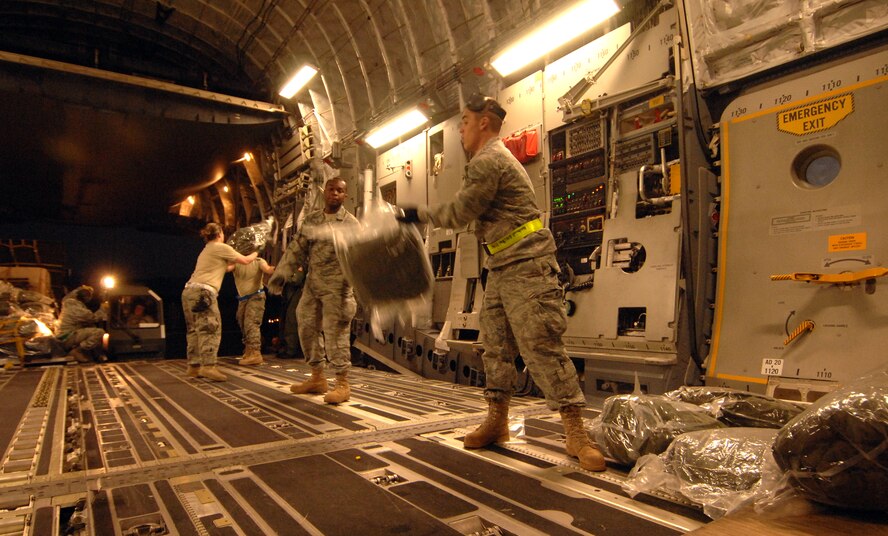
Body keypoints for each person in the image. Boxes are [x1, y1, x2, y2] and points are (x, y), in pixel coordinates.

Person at [397, 94, 606, 472]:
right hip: (503, 262)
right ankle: (497, 420)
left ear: (483, 122)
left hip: (527, 262)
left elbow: (461, 212)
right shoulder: (485, 161)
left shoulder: (490, 160)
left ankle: (576, 431)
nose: (460, 128)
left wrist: (416, 213)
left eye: (464, 119)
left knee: (541, 345)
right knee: (495, 346)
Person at [268, 177, 357, 404]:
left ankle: (342, 383)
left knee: (335, 332)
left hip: (338, 287)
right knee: (306, 326)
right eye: (331, 189)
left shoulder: (351, 224)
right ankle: (317, 377)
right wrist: (280, 276)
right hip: (313, 284)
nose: (335, 194)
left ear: (345, 196)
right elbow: (295, 249)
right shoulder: (312, 220)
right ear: (325, 192)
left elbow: (361, 257)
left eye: (340, 191)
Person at [182, 222, 257, 381]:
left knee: (194, 330)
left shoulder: (207, 250)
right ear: (220, 234)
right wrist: (256, 252)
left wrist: (235, 260)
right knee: (210, 327)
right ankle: (208, 366)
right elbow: (245, 260)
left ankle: (193, 366)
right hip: (204, 293)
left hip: (189, 292)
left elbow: (226, 268)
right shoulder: (220, 247)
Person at [230, 255, 275, 366]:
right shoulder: (237, 262)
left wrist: (277, 269)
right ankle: (249, 350)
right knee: (242, 323)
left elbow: (268, 269)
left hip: (256, 296)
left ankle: (255, 353)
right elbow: (227, 268)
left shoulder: (259, 261)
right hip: (243, 299)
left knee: (251, 323)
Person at [56, 285, 108, 363]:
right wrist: (103, 308)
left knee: (91, 327)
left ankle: (95, 355)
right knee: (99, 332)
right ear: (85, 297)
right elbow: (93, 318)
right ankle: (77, 351)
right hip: (67, 337)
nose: (90, 298)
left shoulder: (70, 304)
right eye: (89, 296)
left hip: (65, 335)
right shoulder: (77, 308)